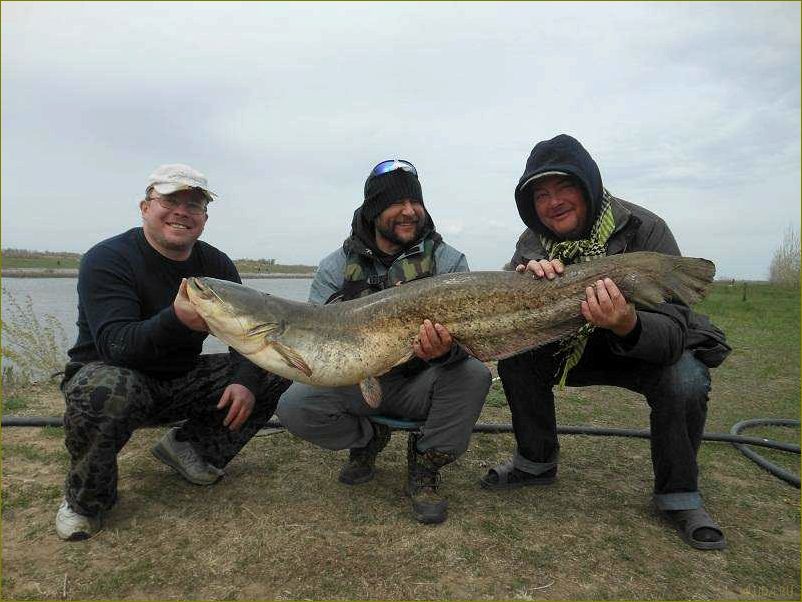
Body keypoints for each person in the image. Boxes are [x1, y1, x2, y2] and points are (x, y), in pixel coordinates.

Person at [480, 135, 731, 550]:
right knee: (518, 355)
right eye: (541, 194)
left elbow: (672, 332)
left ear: (589, 186)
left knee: (686, 377)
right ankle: (535, 463)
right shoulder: (531, 243)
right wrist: (525, 283)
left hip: (640, 348)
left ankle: (679, 495)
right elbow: (513, 320)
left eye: (565, 188)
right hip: (573, 348)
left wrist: (627, 322)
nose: (552, 202)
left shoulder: (647, 229)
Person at [56, 164, 290, 541]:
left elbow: (249, 336)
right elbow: (116, 345)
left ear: (204, 218)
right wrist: (176, 320)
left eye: (194, 205)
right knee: (105, 389)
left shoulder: (216, 265)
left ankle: (191, 449)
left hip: (180, 377)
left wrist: (246, 381)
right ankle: (85, 501)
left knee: (277, 365)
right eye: (170, 200)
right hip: (112, 374)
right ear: (145, 207)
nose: (182, 211)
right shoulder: (107, 259)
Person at [277, 159, 491, 524]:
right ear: (374, 209)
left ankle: (426, 464)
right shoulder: (334, 267)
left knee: (473, 374)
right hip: (356, 380)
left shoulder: (450, 262)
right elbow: (315, 336)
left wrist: (446, 351)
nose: (410, 211)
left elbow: (472, 337)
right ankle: (367, 439)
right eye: (397, 203)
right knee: (295, 404)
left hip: (423, 380)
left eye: (415, 202)